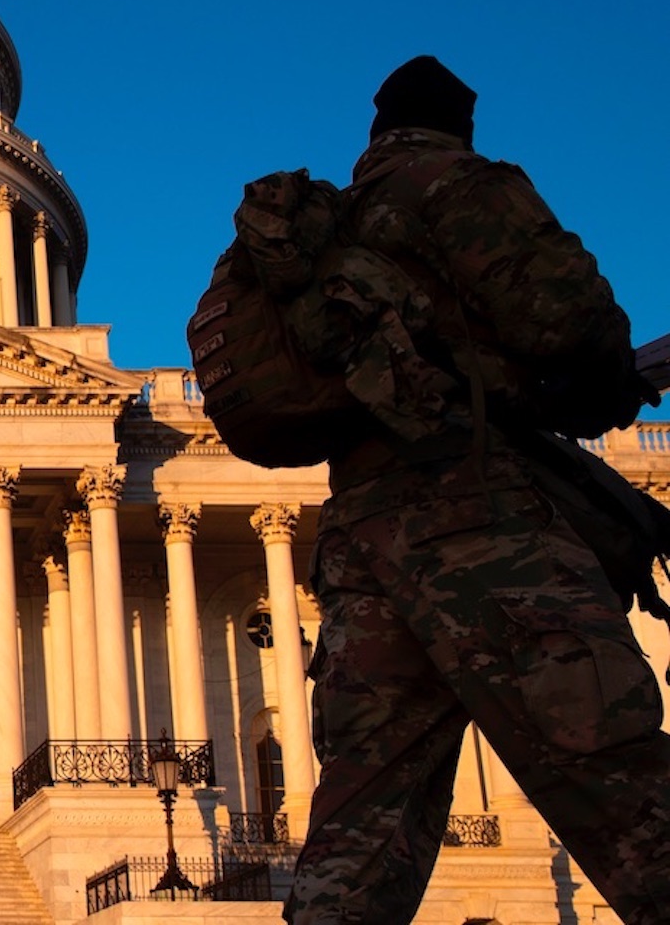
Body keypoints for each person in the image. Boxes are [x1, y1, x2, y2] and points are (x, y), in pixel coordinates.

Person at [286, 56, 670, 923]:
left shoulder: (325, 232)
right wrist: (610, 381)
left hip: (359, 545)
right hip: (476, 524)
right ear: (456, 126)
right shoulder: (458, 186)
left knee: (360, 832)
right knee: (615, 772)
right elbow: (568, 319)